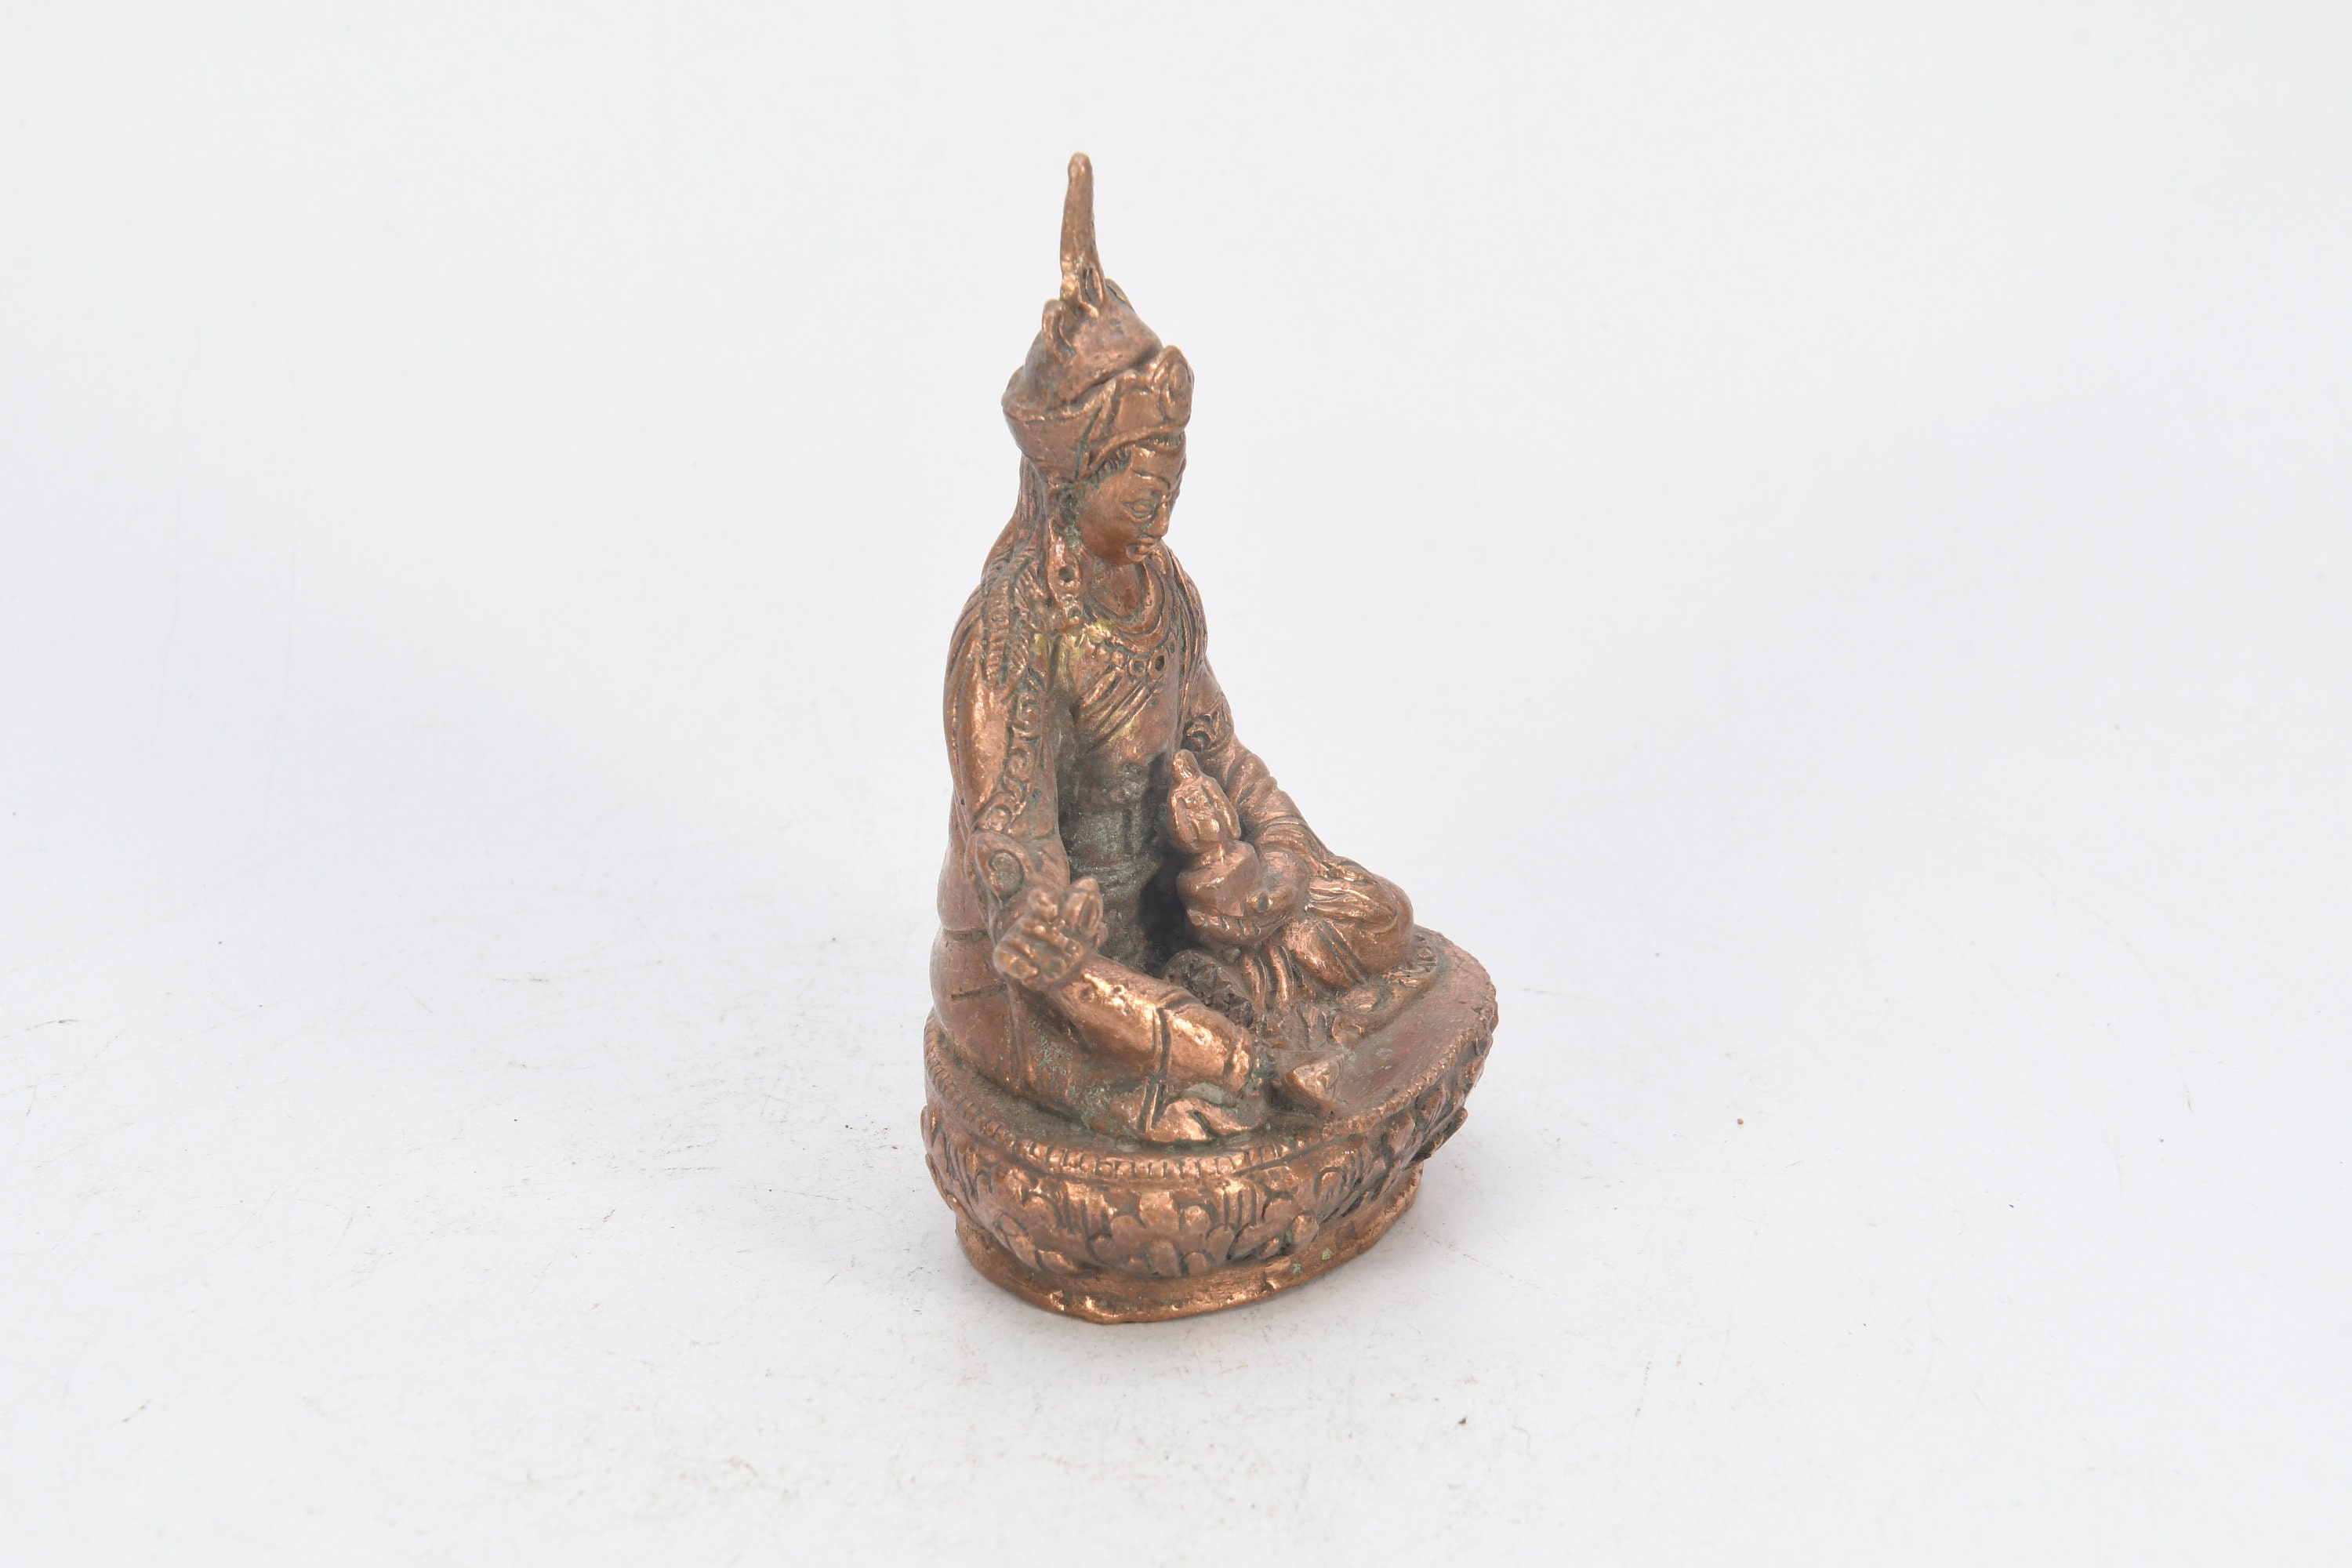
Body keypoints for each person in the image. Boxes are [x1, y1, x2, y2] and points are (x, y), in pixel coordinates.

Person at [931, 155, 1421, 1145]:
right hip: (1049, 979)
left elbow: (1222, 753)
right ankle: (1200, 1059)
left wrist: (1274, 870)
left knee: (1379, 917)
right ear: (1075, 476)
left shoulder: (1164, 588)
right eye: (1142, 476)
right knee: (1230, 1069)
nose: (1167, 496)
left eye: (1175, 467)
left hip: (1177, 913)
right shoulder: (1014, 633)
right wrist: (1058, 930)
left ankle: (1247, 1005)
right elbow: (1014, 867)